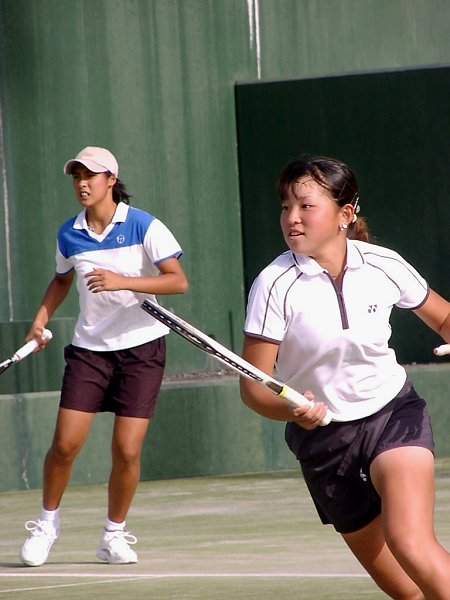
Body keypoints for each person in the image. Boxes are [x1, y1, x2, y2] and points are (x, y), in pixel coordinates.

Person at [240, 155, 450, 599]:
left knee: (411, 544)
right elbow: (253, 388)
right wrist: (293, 410)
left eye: (306, 206)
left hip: (393, 416)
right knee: (406, 591)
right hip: (323, 443)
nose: (292, 218)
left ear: (345, 214)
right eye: (285, 207)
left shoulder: (383, 264)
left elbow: (444, 317)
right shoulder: (273, 284)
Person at [19, 146, 188, 567]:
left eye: (90, 176)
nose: (82, 183)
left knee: (127, 451)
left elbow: (177, 282)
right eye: (77, 176)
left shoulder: (144, 225)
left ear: (111, 180)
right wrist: (40, 319)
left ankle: (113, 535)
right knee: (64, 445)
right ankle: (47, 525)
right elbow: (61, 280)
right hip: (90, 352)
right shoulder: (69, 233)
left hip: (143, 349)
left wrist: (122, 280)